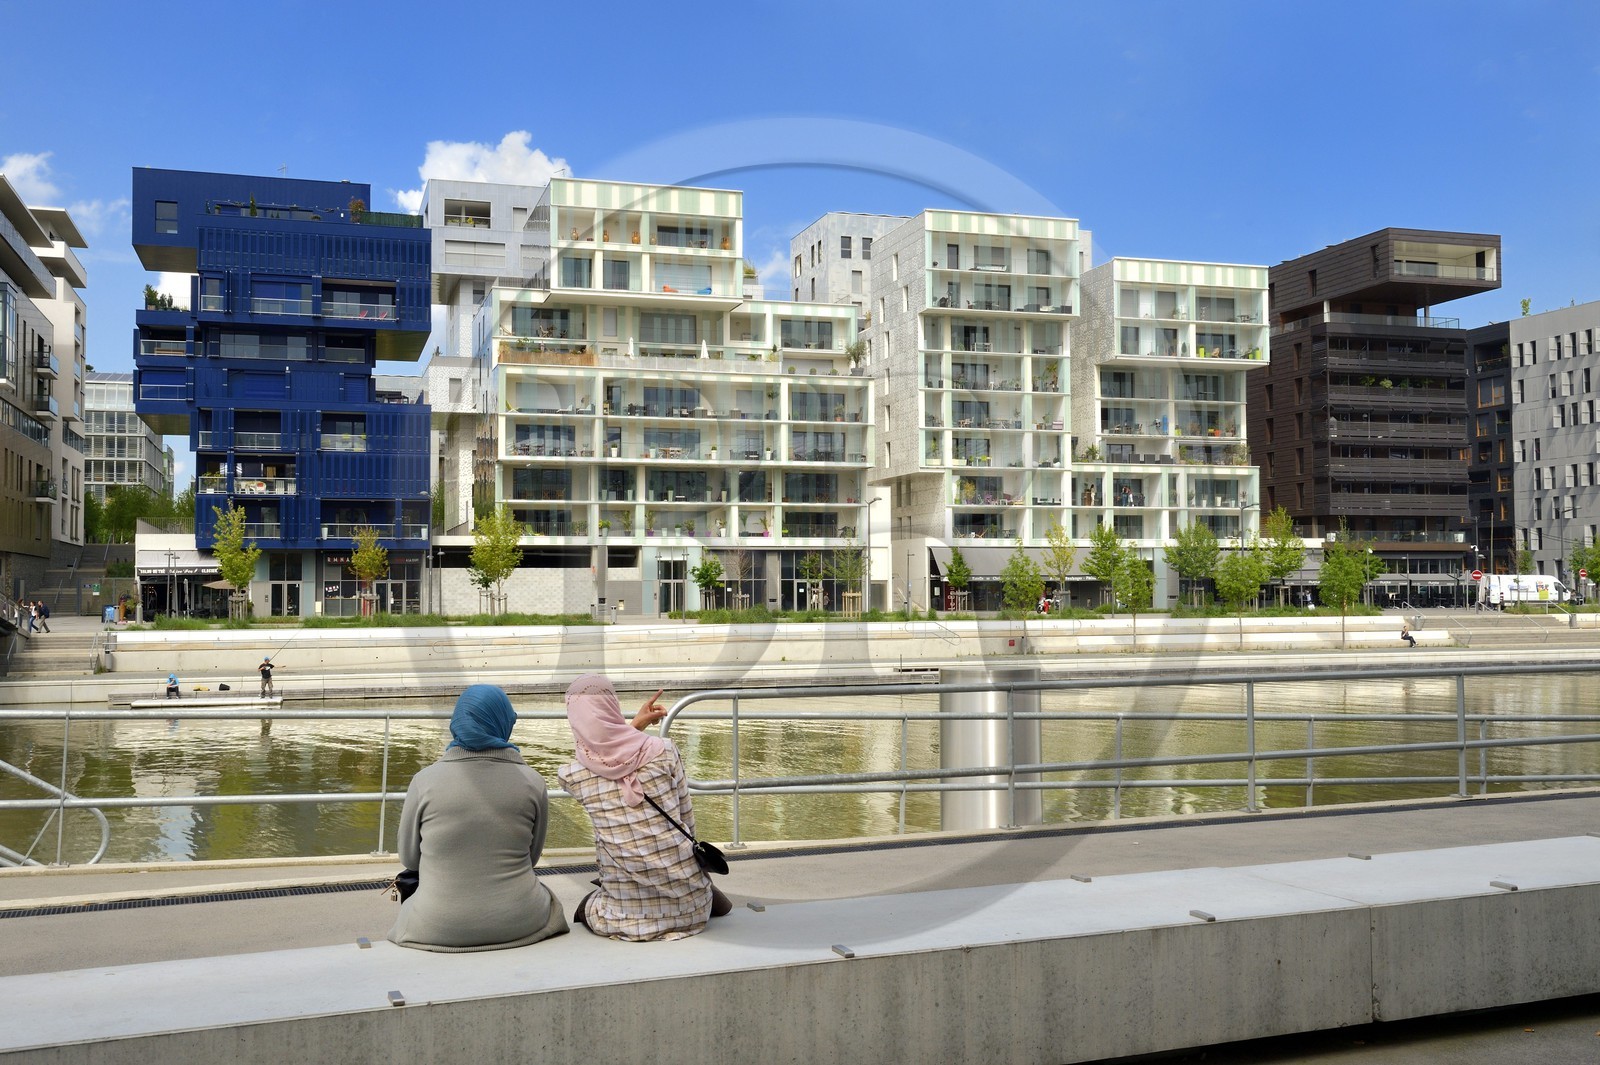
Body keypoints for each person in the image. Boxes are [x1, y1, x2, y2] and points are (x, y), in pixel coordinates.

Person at [388, 685, 566, 952]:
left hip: (435, 925)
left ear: (457, 721)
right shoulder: (533, 782)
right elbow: (532, 858)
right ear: (504, 722)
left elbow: (410, 860)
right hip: (522, 919)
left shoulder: (424, 781)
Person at [559, 674, 730, 941]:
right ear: (612, 705)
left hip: (623, 919)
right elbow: (687, 820)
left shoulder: (573, 775)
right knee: (685, 876)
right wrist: (634, 727)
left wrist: (634, 726)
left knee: (586, 905)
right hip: (693, 911)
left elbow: (607, 760)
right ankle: (702, 895)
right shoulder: (666, 750)